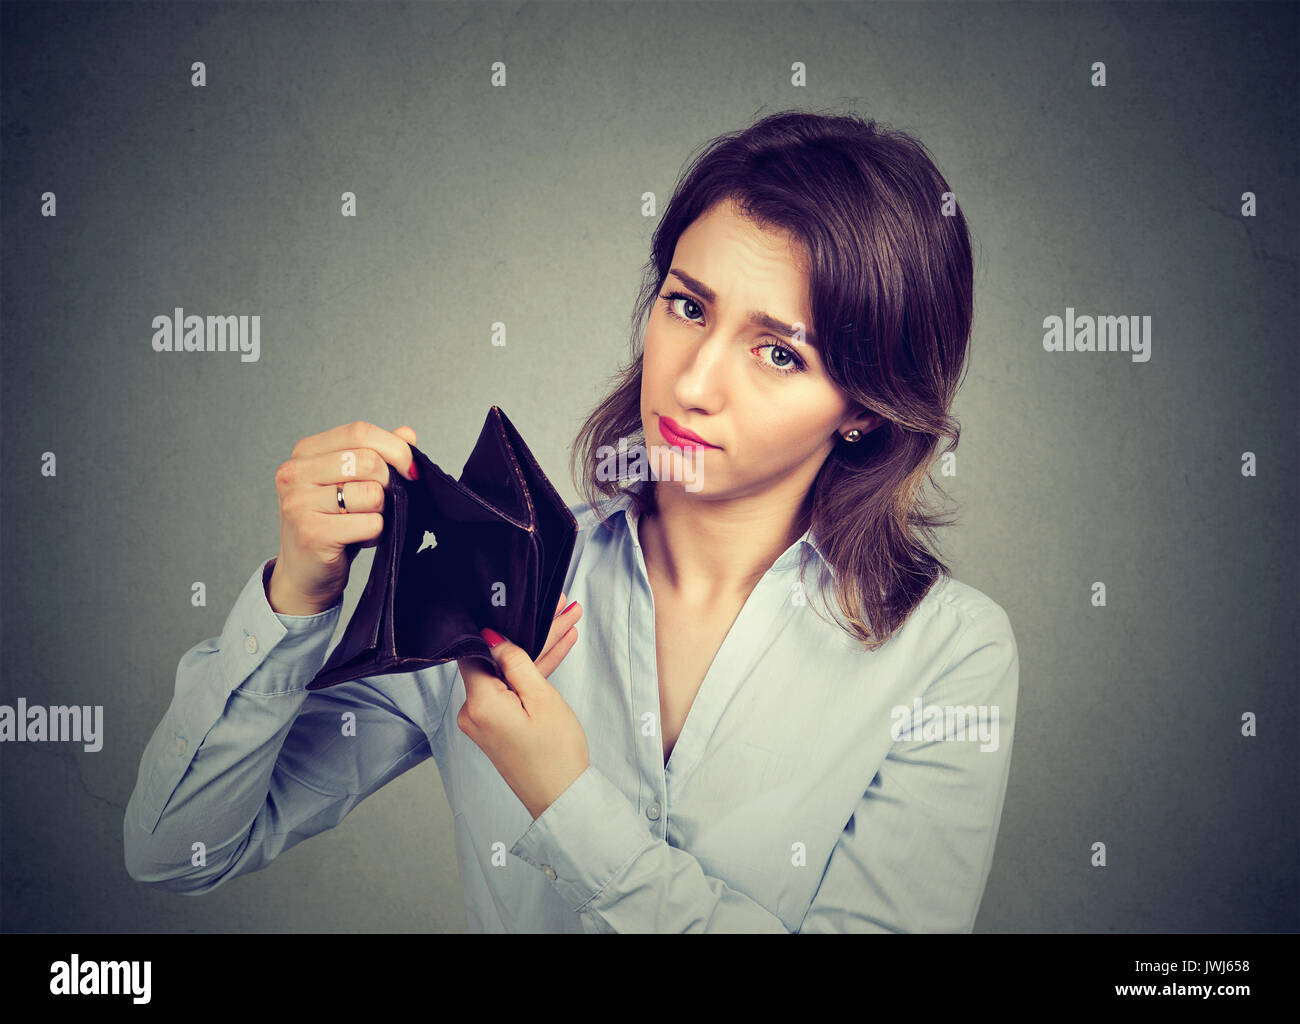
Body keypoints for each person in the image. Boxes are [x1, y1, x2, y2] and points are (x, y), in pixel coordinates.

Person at [124, 109, 1019, 933]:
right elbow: (178, 852)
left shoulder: (948, 653)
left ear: (865, 405)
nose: (696, 381)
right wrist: (299, 595)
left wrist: (566, 800)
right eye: (688, 305)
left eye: (779, 352)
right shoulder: (497, 579)